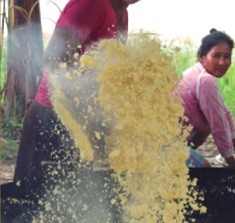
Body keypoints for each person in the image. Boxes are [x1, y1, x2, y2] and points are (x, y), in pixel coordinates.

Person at [13, 0, 142, 188]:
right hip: (55, 121)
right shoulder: (91, 4)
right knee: (34, 207)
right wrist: (89, 107)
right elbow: (54, 59)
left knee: (75, 204)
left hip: (83, 126)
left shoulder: (121, 10)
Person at [177, 29, 235, 168]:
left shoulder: (199, 73)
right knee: (205, 170)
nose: (222, 62)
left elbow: (224, 114)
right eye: (216, 56)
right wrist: (233, 164)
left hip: (172, 138)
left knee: (204, 126)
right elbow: (218, 125)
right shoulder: (205, 80)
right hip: (161, 143)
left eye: (227, 57)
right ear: (201, 56)